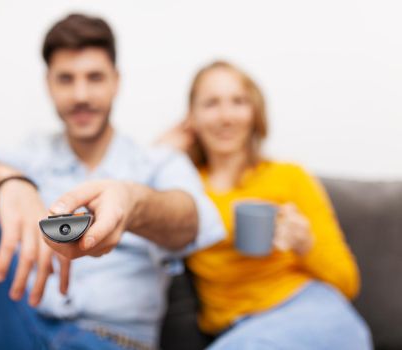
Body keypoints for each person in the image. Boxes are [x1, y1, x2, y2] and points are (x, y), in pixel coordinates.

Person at [0, 14, 224, 350]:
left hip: (113, 341)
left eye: (95, 77)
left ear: (116, 81)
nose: (81, 95)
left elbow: (191, 222)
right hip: (20, 326)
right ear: (48, 84)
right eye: (66, 79)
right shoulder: (29, 155)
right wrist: (6, 180)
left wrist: (131, 203)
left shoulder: (156, 162)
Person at [158, 60, 372, 349]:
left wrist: (306, 244)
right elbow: (126, 205)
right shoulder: (183, 188)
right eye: (211, 103)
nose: (226, 116)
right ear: (191, 119)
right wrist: (160, 152)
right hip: (240, 331)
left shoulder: (289, 177)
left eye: (238, 101)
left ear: (254, 112)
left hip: (310, 308)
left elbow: (348, 283)